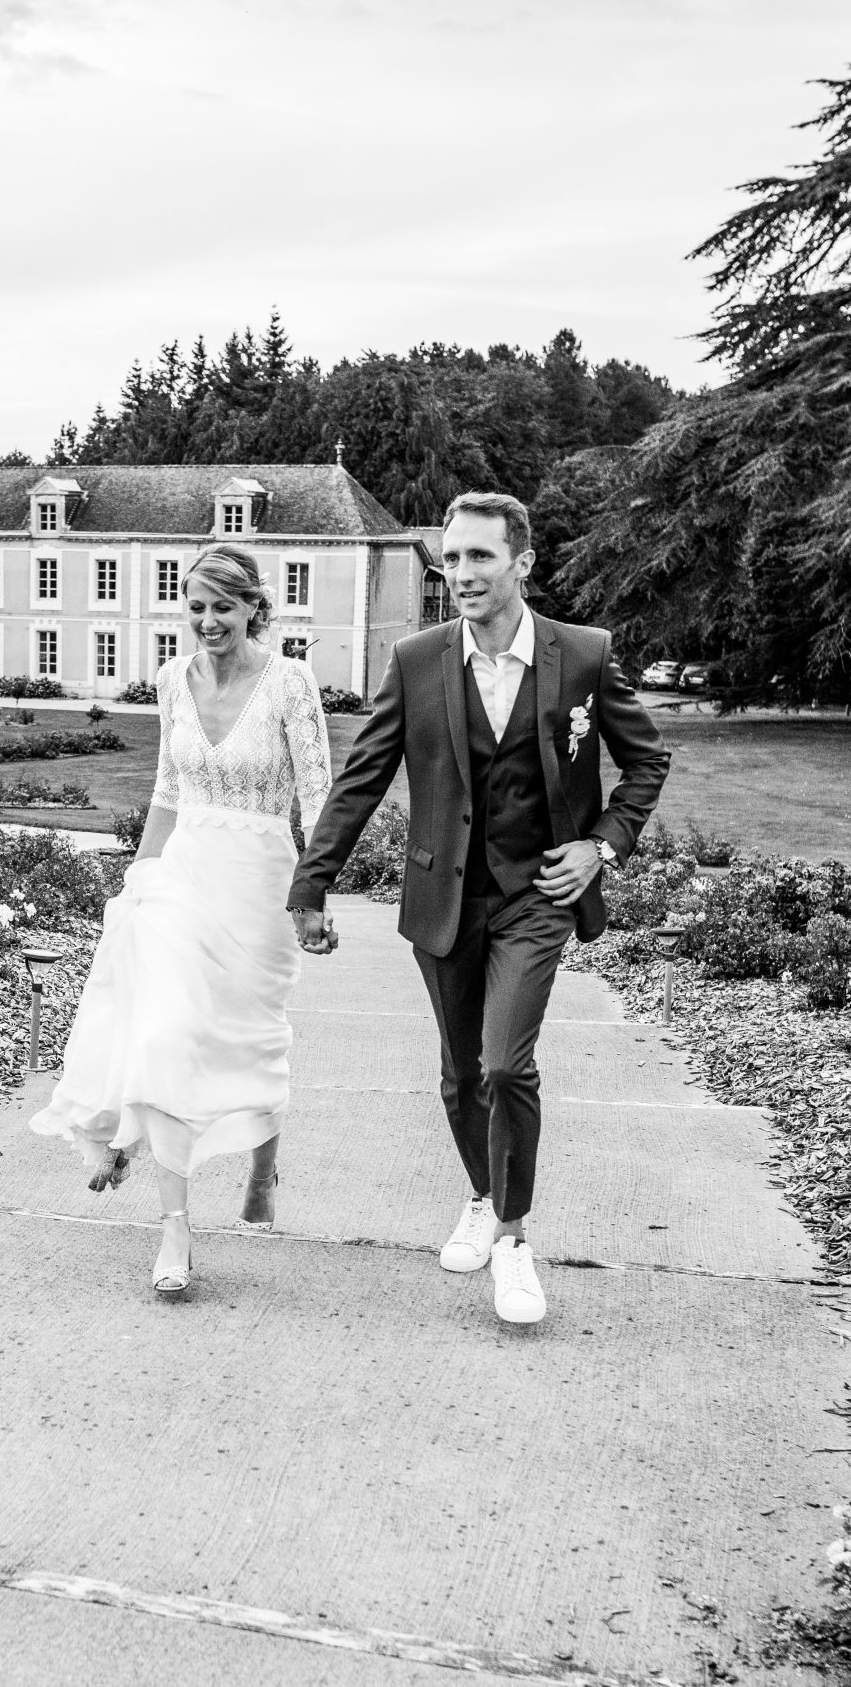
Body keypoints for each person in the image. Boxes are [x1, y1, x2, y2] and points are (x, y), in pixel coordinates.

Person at [286, 492, 668, 1325]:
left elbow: (645, 764)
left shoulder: (586, 657)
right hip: (444, 895)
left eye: (479, 557)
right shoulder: (420, 660)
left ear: (522, 564)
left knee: (504, 1064)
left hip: (537, 897)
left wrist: (601, 845)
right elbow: (363, 777)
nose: (460, 572)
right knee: (461, 1076)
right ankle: (480, 1194)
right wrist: (312, 883)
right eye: (451, 557)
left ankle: (515, 1242)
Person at [30, 544, 333, 1298]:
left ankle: (263, 1166)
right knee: (165, 1031)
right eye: (196, 607)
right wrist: (140, 876)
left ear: (255, 610)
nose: (207, 621)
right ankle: (174, 1229)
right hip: (184, 872)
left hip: (259, 878)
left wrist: (314, 894)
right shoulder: (172, 680)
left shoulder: (291, 682)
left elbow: (319, 798)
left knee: (249, 1041)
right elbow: (168, 790)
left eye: (223, 607)